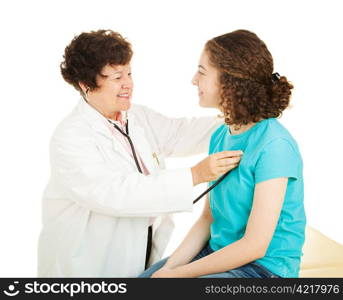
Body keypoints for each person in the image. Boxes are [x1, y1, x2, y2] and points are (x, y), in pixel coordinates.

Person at [37, 29, 243, 277]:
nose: (128, 84)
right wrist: (194, 175)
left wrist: (243, 115)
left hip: (138, 251)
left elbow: (181, 133)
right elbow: (117, 193)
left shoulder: (137, 117)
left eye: (129, 73)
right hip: (86, 266)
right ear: (85, 84)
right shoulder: (71, 137)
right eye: (116, 77)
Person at [139, 29, 306, 278]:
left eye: (202, 72)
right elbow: (208, 219)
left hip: (264, 269)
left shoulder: (275, 146)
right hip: (217, 253)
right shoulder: (221, 135)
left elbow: (255, 245)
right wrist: (170, 267)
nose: (194, 79)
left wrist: (177, 276)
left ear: (229, 83)